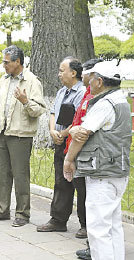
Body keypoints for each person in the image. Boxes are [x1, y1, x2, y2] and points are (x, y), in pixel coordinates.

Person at [64, 62, 131, 260]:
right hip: (117, 170)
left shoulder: (104, 104)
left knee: (98, 229)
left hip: (102, 173)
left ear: (100, 81)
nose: (88, 83)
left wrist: (69, 159)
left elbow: (82, 134)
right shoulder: (120, 100)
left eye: (91, 79)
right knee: (113, 226)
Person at [0, 45, 46, 227]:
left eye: (7, 62)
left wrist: (25, 101)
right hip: (3, 132)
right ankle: (1, 211)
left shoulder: (32, 81)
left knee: (20, 175)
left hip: (20, 135)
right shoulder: (4, 81)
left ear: (18, 62)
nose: (4, 65)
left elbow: (38, 109)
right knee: (2, 174)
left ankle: (22, 214)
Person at [37, 57, 87, 237]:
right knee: (60, 182)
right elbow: (52, 113)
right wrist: (52, 131)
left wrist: (63, 134)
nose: (59, 74)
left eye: (61, 70)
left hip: (74, 143)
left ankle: (85, 224)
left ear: (73, 73)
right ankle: (58, 220)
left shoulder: (82, 92)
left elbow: (79, 120)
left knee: (80, 184)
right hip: (59, 142)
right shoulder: (61, 92)